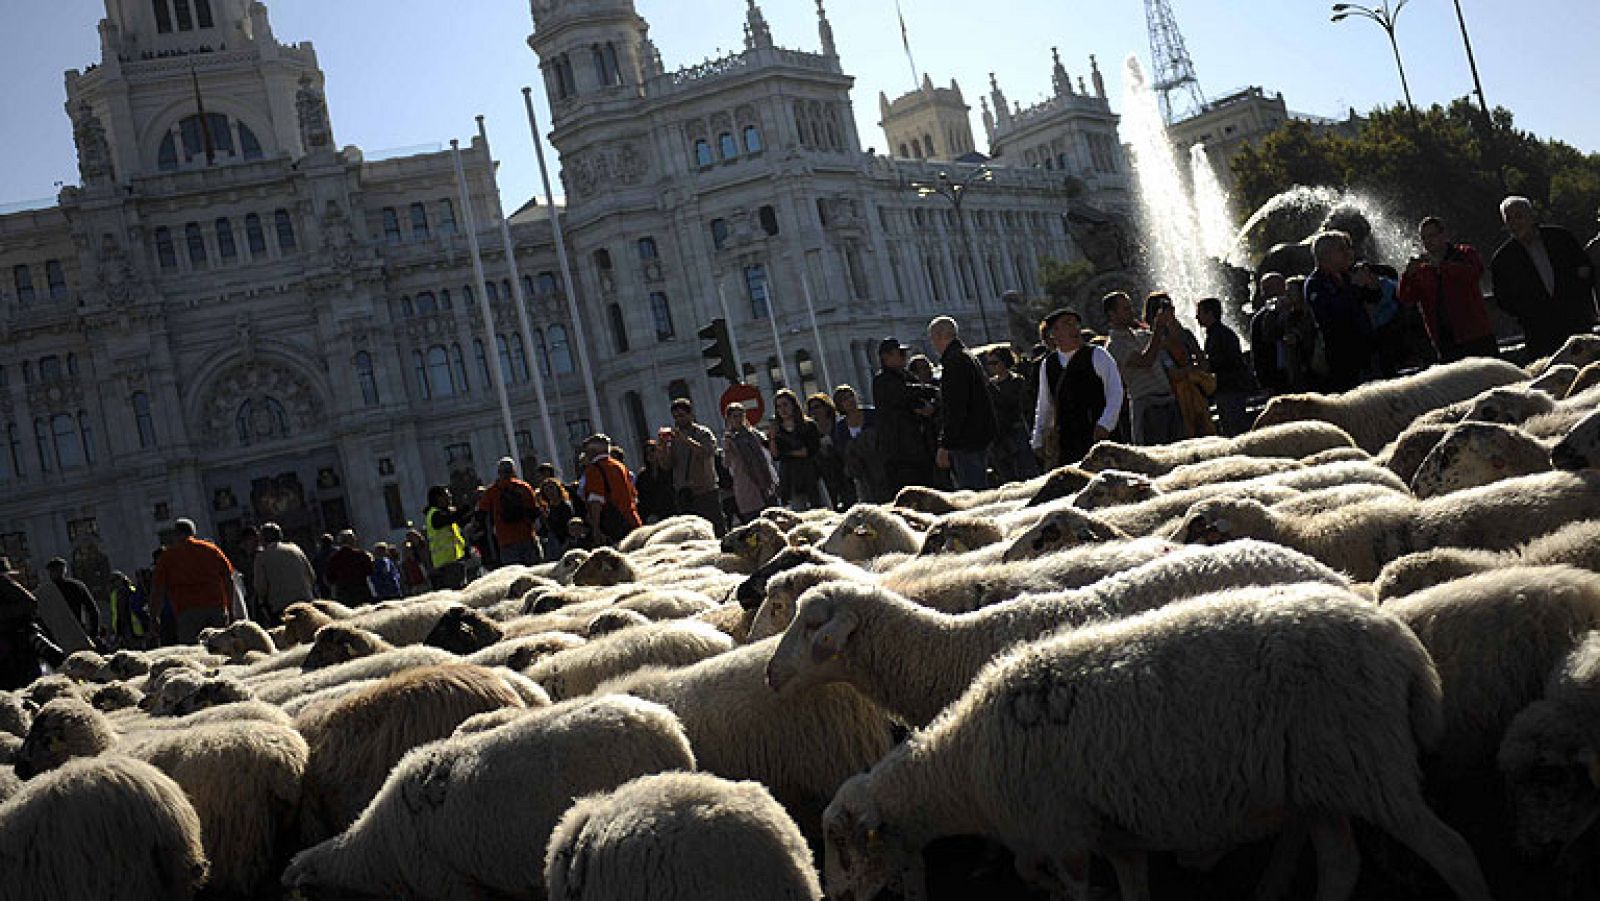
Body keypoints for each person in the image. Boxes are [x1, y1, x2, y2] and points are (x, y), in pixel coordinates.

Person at [1491, 196, 1598, 358]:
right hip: (1540, 334)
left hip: (1576, 323)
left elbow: (1586, 270)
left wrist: (1580, 302)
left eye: (1519, 216)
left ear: (1532, 215)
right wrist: (1527, 314)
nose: (1515, 223)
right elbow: (1503, 299)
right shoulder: (1503, 259)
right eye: (1509, 219)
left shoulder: (1561, 238)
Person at [1031, 308, 1124, 467]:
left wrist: (1106, 424)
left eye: (1075, 324)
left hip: (1100, 435)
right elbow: (1045, 405)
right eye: (1067, 324)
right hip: (1069, 440)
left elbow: (1115, 392)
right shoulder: (1049, 365)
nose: (1074, 328)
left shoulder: (1098, 355)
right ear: (1054, 333)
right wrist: (1038, 439)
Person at [1398, 216, 1498, 363]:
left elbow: (1474, 273)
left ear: (1443, 235)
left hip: (1476, 335)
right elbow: (1405, 298)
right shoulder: (1422, 270)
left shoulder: (1464, 253)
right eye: (1424, 238)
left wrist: (1441, 265)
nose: (1428, 241)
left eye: (1432, 235)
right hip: (1446, 341)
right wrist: (1407, 275)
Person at [926, 316, 998, 490]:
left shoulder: (954, 361)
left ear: (940, 336)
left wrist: (945, 444)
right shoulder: (965, 356)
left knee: (972, 492)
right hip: (978, 433)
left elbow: (955, 407)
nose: (933, 344)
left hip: (967, 439)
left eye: (933, 338)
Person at [1104, 291, 1182, 445]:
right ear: (1112, 314)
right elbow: (1146, 360)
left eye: (1130, 307)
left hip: (1168, 399)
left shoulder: (1141, 335)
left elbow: (1174, 343)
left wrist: (1170, 320)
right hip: (1148, 405)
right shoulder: (1114, 345)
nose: (1131, 312)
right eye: (1125, 309)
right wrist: (1159, 327)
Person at [1305, 230, 1377, 391]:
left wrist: (1372, 286)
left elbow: (1372, 299)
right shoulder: (1315, 284)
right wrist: (1354, 287)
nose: (1349, 253)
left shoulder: (1348, 276)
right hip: (1342, 355)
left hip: (1367, 348)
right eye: (1342, 250)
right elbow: (1332, 313)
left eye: (1348, 248)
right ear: (1325, 255)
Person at [872, 337, 942, 494]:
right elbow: (904, 393)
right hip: (899, 450)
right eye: (899, 353)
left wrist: (927, 405)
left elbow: (915, 396)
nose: (904, 357)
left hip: (918, 446)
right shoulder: (882, 380)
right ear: (886, 357)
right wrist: (930, 390)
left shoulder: (904, 376)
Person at [151, 518, 235, 644]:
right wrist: (230, 608)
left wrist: (154, 617)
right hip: (215, 607)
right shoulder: (211, 549)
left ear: (176, 534)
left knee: (193, 653)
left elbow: (158, 590)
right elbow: (228, 579)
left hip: (187, 611)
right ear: (193, 532)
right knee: (221, 648)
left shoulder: (168, 557)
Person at [666, 398, 728, 534]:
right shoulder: (674, 440)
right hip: (685, 493)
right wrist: (662, 448)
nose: (678, 420)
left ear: (690, 415)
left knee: (716, 529)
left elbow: (708, 452)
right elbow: (668, 465)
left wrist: (686, 440)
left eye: (681, 416)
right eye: (675, 417)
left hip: (705, 490)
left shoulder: (703, 433)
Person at [1, 557, 63, 690]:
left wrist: (4, 615)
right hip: (12, 645)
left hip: (15, 644)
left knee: (25, 684)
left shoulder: (3, 583)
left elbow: (30, 603)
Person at [1196, 297, 1254, 437]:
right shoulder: (1221, 333)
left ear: (1210, 314)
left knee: (1234, 428)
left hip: (1229, 388)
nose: (1196, 317)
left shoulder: (1218, 335)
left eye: (1200, 313)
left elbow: (1221, 362)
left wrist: (1203, 365)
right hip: (1230, 387)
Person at [984, 347, 1041, 484]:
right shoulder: (991, 384)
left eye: (995, 363)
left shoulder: (1016, 381)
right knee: (1006, 476)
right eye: (989, 363)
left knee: (1026, 471)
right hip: (999, 435)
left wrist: (992, 390)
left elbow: (1013, 404)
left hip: (1015, 431)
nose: (992, 367)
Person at [477, 457, 543, 566]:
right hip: (526, 536)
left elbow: (481, 514)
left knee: (514, 574)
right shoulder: (524, 487)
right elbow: (534, 512)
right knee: (534, 570)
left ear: (498, 472)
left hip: (505, 539)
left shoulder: (491, 491)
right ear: (514, 471)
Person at [723, 402, 780, 522]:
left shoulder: (753, 434)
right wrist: (727, 448)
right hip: (746, 486)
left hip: (765, 484)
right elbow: (726, 463)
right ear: (728, 419)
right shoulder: (729, 439)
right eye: (735, 416)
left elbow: (767, 450)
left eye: (741, 415)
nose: (739, 419)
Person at [767, 389, 823, 510]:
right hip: (790, 478)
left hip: (811, 474)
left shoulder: (808, 425)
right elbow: (776, 456)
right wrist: (772, 437)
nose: (783, 409)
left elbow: (809, 450)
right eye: (779, 406)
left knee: (819, 509)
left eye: (785, 405)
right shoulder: (778, 430)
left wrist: (788, 453)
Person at [582, 434, 642, 545]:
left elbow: (596, 501)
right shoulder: (619, 466)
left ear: (593, 451)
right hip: (632, 520)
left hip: (613, 526)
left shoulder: (593, 470)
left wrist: (596, 528)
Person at [832, 385, 887, 504]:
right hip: (861, 471)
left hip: (880, 464)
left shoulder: (871, 414)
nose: (850, 401)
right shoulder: (841, 427)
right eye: (845, 399)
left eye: (851, 396)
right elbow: (843, 449)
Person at [252, 522, 315, 623]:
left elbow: (261, 587)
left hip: (282, 607)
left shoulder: (261, 557)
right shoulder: (295, 549)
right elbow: (311, 576)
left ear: (262, 538)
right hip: (306, 601)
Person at [38, 557, 102, 649]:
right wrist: (94, 634)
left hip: (56, 637)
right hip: (78, 632)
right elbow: (93, 611)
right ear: (64, 570)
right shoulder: (77, 586)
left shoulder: (44, 592)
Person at [806, 393, 854, 510]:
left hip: (844, 470)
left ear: (826, 407)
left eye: (817, 407)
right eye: (811, 409)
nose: (814, 411)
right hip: (827, 475)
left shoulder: (838, 426)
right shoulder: (812, 431)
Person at [423, 485, 475, 590]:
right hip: (447, 563)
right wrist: (467, 506)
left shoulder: (441, 513)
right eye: (447, 495)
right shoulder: (435, 515)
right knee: (457, 592)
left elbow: (459, 520)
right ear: (438, 498)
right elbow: (450, 519)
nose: (450, 497)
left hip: (452, 560)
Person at [1250, 273, 1291, 393]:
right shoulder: (1260, 318)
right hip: (1276, 373)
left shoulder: (1297, 310)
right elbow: (1258, 351)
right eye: (1265, 288)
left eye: (1272, 287)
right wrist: (1263, 379)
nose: (1268, 292)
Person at [325, 530, 374, 606]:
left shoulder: (334, 558)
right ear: (352, 541)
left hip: (344, 594)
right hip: (362, 591)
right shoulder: (361, 555)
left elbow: (330, 578)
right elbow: (370, 571)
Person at [633, 439, 676, 525]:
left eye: (653, 450)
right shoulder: (642, 476)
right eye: (647, 452)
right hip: (651, 516)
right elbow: (641, 497)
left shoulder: (667, 471)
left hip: (670, 512)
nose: (650, 454)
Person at [107, 570, 151, 650]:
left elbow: (140, 609)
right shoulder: (114, 595)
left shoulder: (133, 591)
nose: (113, 584)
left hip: (136, 629)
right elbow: (115, 614)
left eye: (114, 581)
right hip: (123, 631)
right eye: (111, 582)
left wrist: (146, 626)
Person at [536, 479, 577, 558]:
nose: (550, 492)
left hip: (566, 543)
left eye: (551, 488)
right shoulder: (548, 509)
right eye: (546, 490)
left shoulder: (565, 506)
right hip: (554, 544)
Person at [311, 533, 335, 598]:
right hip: (336, 583)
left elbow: (313, 571)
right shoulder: (337, 552)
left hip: (322, 584)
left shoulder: (318, 556)